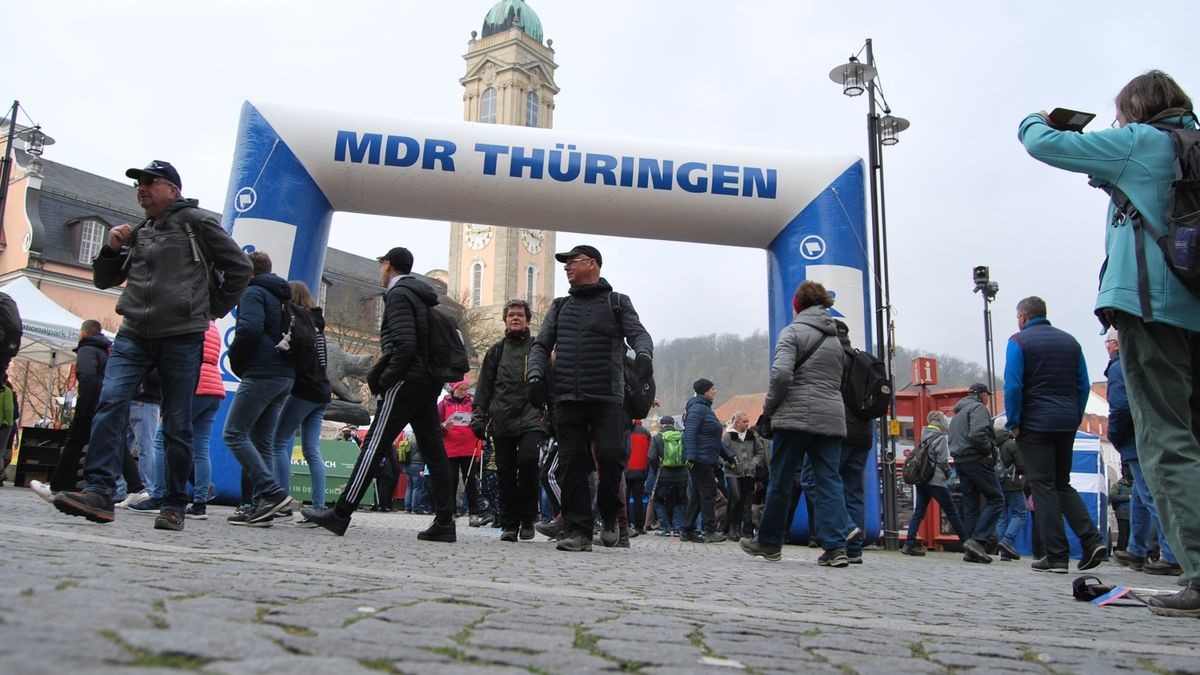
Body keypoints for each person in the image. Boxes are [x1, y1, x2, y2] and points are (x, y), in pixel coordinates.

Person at [1019, 70, 1199, 615]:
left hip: (1154, 307)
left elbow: (1041, 144)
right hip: (1194, 307)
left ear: (1136, 109)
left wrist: (1037, 119)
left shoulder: (1144, 141)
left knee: (1165, 440)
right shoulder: (1189, 145)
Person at [45, 160, 251, 531]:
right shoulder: (141, 231)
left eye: (150, 182)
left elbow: (240, 267)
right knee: (110, 404)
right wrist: (111, 248)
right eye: (138, 183)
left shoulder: (195, 223)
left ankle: (173, 504)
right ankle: (99, 492)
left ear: (172, 189)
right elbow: (105, 280)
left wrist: (209, 310)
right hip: (134, 331)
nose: (141, 188)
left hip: (182, 334)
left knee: (175, 422)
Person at [302, 246, 455, 542]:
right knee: (435, 452)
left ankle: (341, 513)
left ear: (387, 265)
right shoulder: (421, 297)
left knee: (373, 444)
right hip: (427, 381)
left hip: (406, 379)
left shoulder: (398, 295)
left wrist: (385, 379)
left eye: (381, 266)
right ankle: (446, 522)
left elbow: (404, 345)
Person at [527, 244, 653, 552]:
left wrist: (645, 355)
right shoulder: (559, 306)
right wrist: (534, 375)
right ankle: (578, 530)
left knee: (611, 459)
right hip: (567, 397)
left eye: (573, 261)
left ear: (593, 264)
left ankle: (609, 512)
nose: (567, 267)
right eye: (565, 263)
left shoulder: (617, 302)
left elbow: (640, 334)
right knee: (571, 464)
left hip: (607, 397)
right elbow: (542, 345)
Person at [741, 280, 849, 566]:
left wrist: (769, 407)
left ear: (796, 305)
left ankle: (769, 542)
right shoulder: (834, 339)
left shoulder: (792, 332)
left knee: (781, 479)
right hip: (831, 417)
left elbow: (781, 375)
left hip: (795, 417)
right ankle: (836, 547)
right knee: (829, 481)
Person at [1001, 297, 1105, 573]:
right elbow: (1083, 385)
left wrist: (1014, 422)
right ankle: (1092, 539)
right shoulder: (1071, 342)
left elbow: (1013, 385)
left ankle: (1057, 555)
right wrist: (1074, 415)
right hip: (1066, 422)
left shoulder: (1018, 342)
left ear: (1023, 317)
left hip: (1034, 424)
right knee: (1062, 483)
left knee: (1043, 485)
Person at [223, 251, 296, 525]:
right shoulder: (281, 296)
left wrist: (236, 359)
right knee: (263, 442)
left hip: (261, 371)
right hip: (284, 373)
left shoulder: (253, 292)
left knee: (233, 434)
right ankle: (263, 506)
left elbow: (249, 330)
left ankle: (271, 492)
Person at [471, 298, 550, 541]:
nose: (515, 318)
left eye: (520, 315)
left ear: (528, 320)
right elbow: (484, 387)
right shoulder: (496, 351)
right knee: (505, 472)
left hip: (531, 416)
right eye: (511, 315)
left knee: (527, 465)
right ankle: (509, 524)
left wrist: (552, 415)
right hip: (502, 418)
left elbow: (551, 384)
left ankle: (528, 518)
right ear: (505, 319)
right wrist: (478, 417)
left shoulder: (538, 348)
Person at [1106, 329, 1182, 575]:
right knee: (1140, 495)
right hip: (1148, 435)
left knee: (1151, 495)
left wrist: (1114, 435)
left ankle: (1172, 555)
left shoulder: (1119, 367)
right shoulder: (1141, 363)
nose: (1106, 347)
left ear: (1115, 344)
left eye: (1108, 342)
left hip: (1135, 439)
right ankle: (1137, 549)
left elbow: (1120, 407)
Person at [271, 281, 332, 515]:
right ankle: (318, 506)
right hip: (322, 391)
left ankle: (282, 501)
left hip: (304, 390)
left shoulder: (298, 323)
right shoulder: (318, 324)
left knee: (277, 443)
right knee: (311, 450)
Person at [35, 320, 111, 499]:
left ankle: (56, 485)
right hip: (105, 403)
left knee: (73, 443)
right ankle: (137, 486)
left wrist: (84, 406)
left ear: (83, 333)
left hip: (90, 405)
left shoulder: (87, 349)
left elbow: (87, 376)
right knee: (113, 443)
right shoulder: (106, 351)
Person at [947, 382, 1004, 564]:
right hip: (977, 459)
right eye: (987, 395)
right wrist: (987, 450)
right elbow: (978, 434)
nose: (987, 400)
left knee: (970, 505)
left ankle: (969, 549)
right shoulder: (978, 408)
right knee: (996, 499)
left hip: (960, 461)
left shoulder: (958, 413)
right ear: (981, 395)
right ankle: (978, 541)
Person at [833, 320, 874, 564]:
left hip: (839, 431)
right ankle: (855, 549)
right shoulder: (863, 359)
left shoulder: (834, 359)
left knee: (822, 481)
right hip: (864, 434)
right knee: (854, 490)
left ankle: (846, 528)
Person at [902, 412, 968, 556]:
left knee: (919, 512)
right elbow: (942, 461)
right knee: (951, 511)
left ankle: (909, 543)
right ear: (940, 423)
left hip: (922, 480)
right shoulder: (940, 439)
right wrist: (948, 475)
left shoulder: (923, 436)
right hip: (936, 480)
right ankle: (967, 543)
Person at [681, 378, 733, 543]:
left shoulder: (705, 409)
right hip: (699, 459)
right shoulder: (698, 409)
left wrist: (728, 456)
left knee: (697, 494)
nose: (715, 391)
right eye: (712, 388)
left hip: (703, 458)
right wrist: (690, 456)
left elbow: (714, 439)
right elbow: (690, 432)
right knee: (710, 491)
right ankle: (710, 530)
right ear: (705, 391)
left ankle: (687, 530)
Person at [440, 380, 482, 524]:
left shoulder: (473, 403)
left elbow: (479, 424)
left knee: (470, 481)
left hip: (469, 448)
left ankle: (474, 513)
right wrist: (444, 427)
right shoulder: (444, 404)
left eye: (466, 389)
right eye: (461, 389)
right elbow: (435, 425)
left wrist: (479, 449)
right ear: (454, 389)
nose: (464, 392)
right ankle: (450, 512)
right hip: (450, 448)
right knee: (451, 480)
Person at [722, 411, 766, 542]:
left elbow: (760, 452)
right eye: (744, 422)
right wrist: (730, 462)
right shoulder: (728, 436)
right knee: (735, 497)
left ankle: (737, 528)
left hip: (748, 473)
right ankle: (732, 527)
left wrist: (753, 464)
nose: (747, 424)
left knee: (743, 501)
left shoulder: (752, 436)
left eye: (748, 421)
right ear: (737, 422)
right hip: (732, 473)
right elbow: (721, 453)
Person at [992, 424, 1028, 561]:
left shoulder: (993, 444)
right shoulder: (1012, 444)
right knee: (1020, 513)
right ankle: (1007, 541)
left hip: (997, 484)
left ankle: (1004, 553)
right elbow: (1022, 466)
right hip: (1012, 484)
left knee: (1001, 517)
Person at [650, 415, 687, 537]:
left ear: (662, 425)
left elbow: (652, 457)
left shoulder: (657, 438)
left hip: (664, 474)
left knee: (657, 500)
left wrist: (658, 468)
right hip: (681, 474)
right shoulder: (682, 436)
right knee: (679, 501)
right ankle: (678, 528)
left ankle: (665, 528)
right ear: (673, 424)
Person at [625, 419, 652, 537]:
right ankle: (639, 526)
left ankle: (625, 524)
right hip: (640, 471)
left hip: (625, 470)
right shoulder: (645, 432)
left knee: (624, 499)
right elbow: (650, 453)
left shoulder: (623, 430)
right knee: (638, 500)